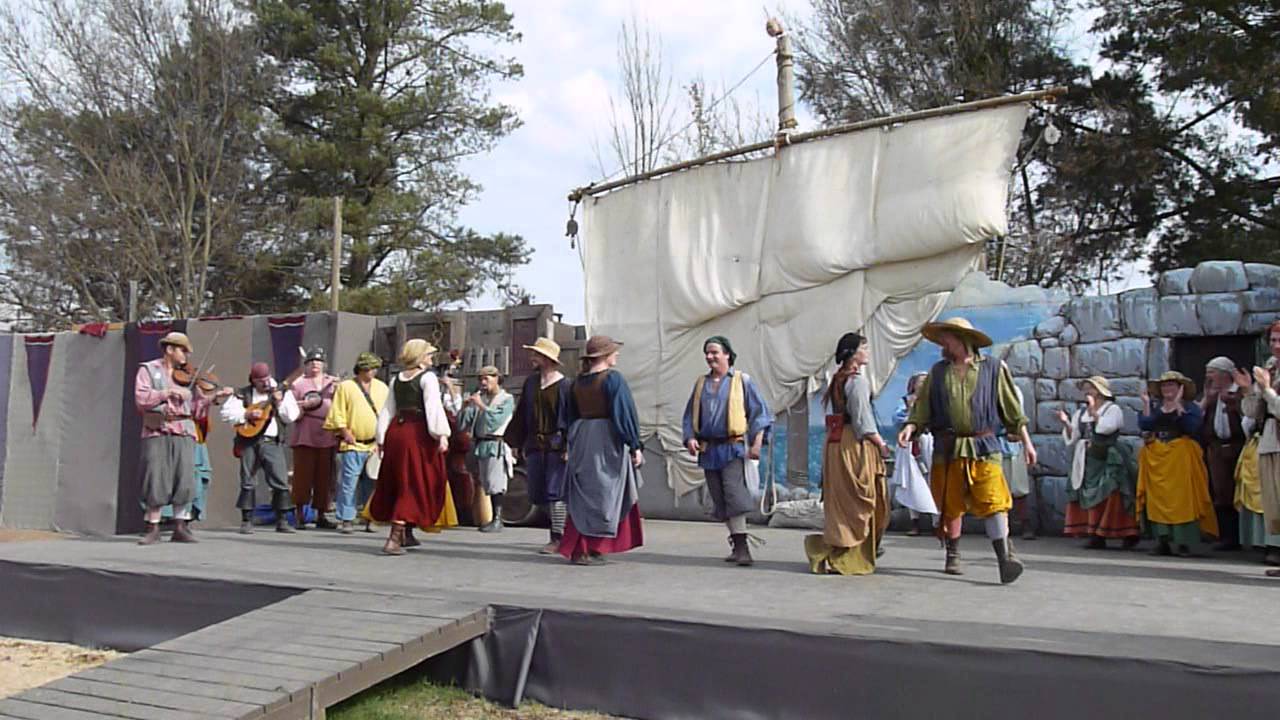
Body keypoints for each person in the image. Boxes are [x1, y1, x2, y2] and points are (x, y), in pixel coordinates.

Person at [897, 317, 1036, 584]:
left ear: (963, 340)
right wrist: (911, 427)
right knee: (950, 504)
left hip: (984, 446)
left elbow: (1012, 410)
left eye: (947, 338)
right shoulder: (938, 372)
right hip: (947, 448)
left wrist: (1027, 443)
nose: (943, 344)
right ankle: (953, 553)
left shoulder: (994, 369)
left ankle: (1004, 558)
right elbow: (922, 408)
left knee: (994, 501)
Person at [681, 336, 772, 566]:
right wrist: (690, 437)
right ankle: (736, 543)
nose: (710, 357)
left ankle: (743, 549)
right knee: (720, 500)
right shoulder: (701, 383)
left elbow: (760, 414)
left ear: (727, 355)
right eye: (707, 353)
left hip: (733, 449)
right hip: (709, 450)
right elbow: (689, 416)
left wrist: (757, 444)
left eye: (714, 352)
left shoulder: (742, 381)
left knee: (734, 495)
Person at [133, 332, 232, 545]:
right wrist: (167, 392)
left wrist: (213, 398)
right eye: (183, 350)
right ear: (170, 349)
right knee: (155, 477)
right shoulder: (148, 370)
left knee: (184, 478)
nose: (186, 355)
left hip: (184, 429)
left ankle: (180, 526)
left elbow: (196, 408)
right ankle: (153, 527)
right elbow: (141, 398)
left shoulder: (189, 377)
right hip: (157, 429)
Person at [804, 332, 890, 575]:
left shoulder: (838, 380)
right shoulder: (857, 382)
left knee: (842, 500)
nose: (868, 352)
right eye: (865, 347)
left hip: (835, 445)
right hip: (854, 445)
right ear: (853, 354)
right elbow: (864, 421)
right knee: (864, 499)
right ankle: (849, 552)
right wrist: (882, 445)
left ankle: (840, 548)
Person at [559, 335, 645, 565]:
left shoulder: (576, 382)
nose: (617, 355)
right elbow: (623, 414)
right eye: (614, 352)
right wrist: (635, 444)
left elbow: (568, 417)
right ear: (605, 356)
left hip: (581, 439)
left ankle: (584, 547)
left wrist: (569, 443)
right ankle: (591, 548)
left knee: (585, 493)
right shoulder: (613, 379)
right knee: (606, 493)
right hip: (606, 440)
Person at [372, 339, 452, 555]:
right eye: (428, 354)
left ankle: (406, 533)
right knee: (415, 482)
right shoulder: (428, 378)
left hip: (396, 433)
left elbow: (387, 410)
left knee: (401, 480)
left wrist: (380, 437)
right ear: (419, 356)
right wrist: (441, 434)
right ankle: (394, 539)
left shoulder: (396, 379)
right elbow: (433, 408)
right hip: (417, 434)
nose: (430, 358)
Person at [1136, 371, 1217, 557]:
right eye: (1164, 386)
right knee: (1158, 500)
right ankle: (1162, 540)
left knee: (1182, 499)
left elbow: (1192, 427)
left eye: (1171, 385)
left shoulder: (1190, 407)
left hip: (1180, 457)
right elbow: (1146, 425)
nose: (1167, 389)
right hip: (1158, 457)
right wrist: (1146, 403)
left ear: (1181, 388)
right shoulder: (1157, 407)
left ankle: (1183, 542)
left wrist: (1179, 406)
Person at [505, 338, 571, 554]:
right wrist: (515, 441)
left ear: (547, 359)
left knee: (556, 492)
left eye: (536, 354)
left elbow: (570, 418)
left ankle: (558, 537)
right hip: (534, 445)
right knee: (536, 492)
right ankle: (562, 529)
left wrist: (568, 446)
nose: (532, 358)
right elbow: (522, 412)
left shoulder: (565, 386)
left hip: (556, 446)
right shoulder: (531, 382)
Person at [1057, 376, 1139, 549]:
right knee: (1086, 493)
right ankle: (1095, 534)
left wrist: (1094, 411)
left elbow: (1105, 428)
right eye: (1086, 388)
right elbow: (1073, 438)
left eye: (1091, 388)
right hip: (1086, 458)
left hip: (1108, 457)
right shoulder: (1081, 413)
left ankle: (1125, 533)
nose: (1087, 392)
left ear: (1101, 391)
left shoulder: (1112, 409)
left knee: (1111, 493)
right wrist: (1065, 423)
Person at [220, 362, 302, 534]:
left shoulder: (281, 391)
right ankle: (246, 520)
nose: (265, 384)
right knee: (247, 480)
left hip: (272, 441)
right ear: (253, 380)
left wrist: (279, 404)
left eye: (267, 379)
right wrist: (246, 414)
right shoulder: (243, 394)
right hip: (248, 442)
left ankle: (282, 520)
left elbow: (291, 417)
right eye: (260, 381)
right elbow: (225, 413)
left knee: (280, 480)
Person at [323, 352, 388, 534]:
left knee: (372, 482)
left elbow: (386, 414)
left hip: (374, 444)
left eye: (375, 368)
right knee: (349, 481)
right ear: (361, 369)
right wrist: (343, 431)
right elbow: (337, 411)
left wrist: (382, 439)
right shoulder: (346, 387)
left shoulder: (382, 388)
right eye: (369, 368)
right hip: (353, 443)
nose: (372, 372)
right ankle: (347, 518)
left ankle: (370, 517)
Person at [1238, 319, 1280, 576]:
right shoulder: (1271, 368)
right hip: (1270, 440)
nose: (1276, 345)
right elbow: (1254, 412)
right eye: (1273, 340)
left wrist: (1266, 389)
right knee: (1274, 503)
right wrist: (1249, 391)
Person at [460, 366, 516, 533]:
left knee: (496, 482)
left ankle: (498, 518)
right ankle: (492, 518)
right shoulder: (481, 397)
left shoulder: (506, 399)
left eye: (487, 379)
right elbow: (464, 424)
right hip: (481, 444)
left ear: (496, 378)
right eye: (481, 379)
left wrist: (481, 406)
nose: (483, 383)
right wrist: (465, 408)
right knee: (486, 482)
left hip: (495, 444)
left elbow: (496, 420)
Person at [289, 347, 339, 530]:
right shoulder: (299, 384)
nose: (315, 364)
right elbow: (291, 409)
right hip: (306, 431)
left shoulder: (332, 383)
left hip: (326, 431)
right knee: (303, 475)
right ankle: (300, 513)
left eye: (318, 361)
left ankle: (321, 513)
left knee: (325, 476)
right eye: (311, 361)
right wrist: (302, 407)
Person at [1200, 357, 1247, 551]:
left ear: (1224, 374)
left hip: (1237, 446)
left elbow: (1249, 416)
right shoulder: (1212, 396)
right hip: (1217, 448)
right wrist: (1207, 400)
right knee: (1221, 492)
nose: (1208, 377)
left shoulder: (1239, 393)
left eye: (1212, 373)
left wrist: (1235, 402)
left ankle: (1244, 536)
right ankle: (1227, 536)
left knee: (1240, 492)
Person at [890, 372, 937, 536]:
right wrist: (910, 412)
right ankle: (914, 522)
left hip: (928, 442)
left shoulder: (933, 400)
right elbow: (897, 418)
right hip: (909, 445)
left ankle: (936, 522)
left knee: (933, 480)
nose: (923, 383)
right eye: (920, 381)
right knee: (911, 482)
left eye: (926, 381)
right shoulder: (904, 401)